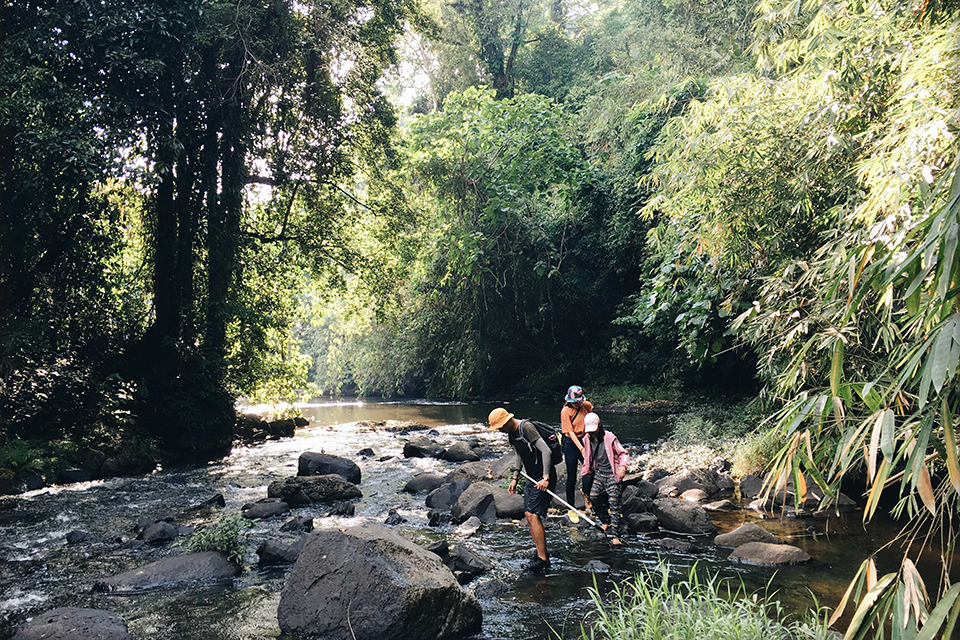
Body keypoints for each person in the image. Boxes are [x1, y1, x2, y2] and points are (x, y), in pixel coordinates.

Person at [488, 407, 557, 572]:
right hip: (531, 474)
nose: (498, 430)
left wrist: (546, 477)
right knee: (528, 514)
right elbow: (519, 454)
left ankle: (543, 560)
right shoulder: (511, 433)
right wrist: (515, 477)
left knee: (533, 515)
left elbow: (546, 450)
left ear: (506, 421)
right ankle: (541, 553)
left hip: (542, 475)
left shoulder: (526, 427)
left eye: (499, 426)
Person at [581, 412, 629, 545]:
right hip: (599, 473)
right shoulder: (587, 438)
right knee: (594, 497)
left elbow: (623, 453)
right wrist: (585, 471)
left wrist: (622, 467)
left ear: (599, 425)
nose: (592, 432)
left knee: (614, 503)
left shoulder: (609, 436)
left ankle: (616, 536)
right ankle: (606, 521)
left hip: (612, 474)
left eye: (594, 429)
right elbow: (587, 458)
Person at [560, 385, 594, 508]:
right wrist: (581, 448)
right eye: (575, 403)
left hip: (585, 438)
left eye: (579, 402)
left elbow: (592, 421)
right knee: (571, 475)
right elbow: (570, 432)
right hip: (571, 442)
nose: (577, 405)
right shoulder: (566, 411)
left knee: (591, 469)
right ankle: (571, 505)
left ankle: (587, 494)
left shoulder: (587, 406)